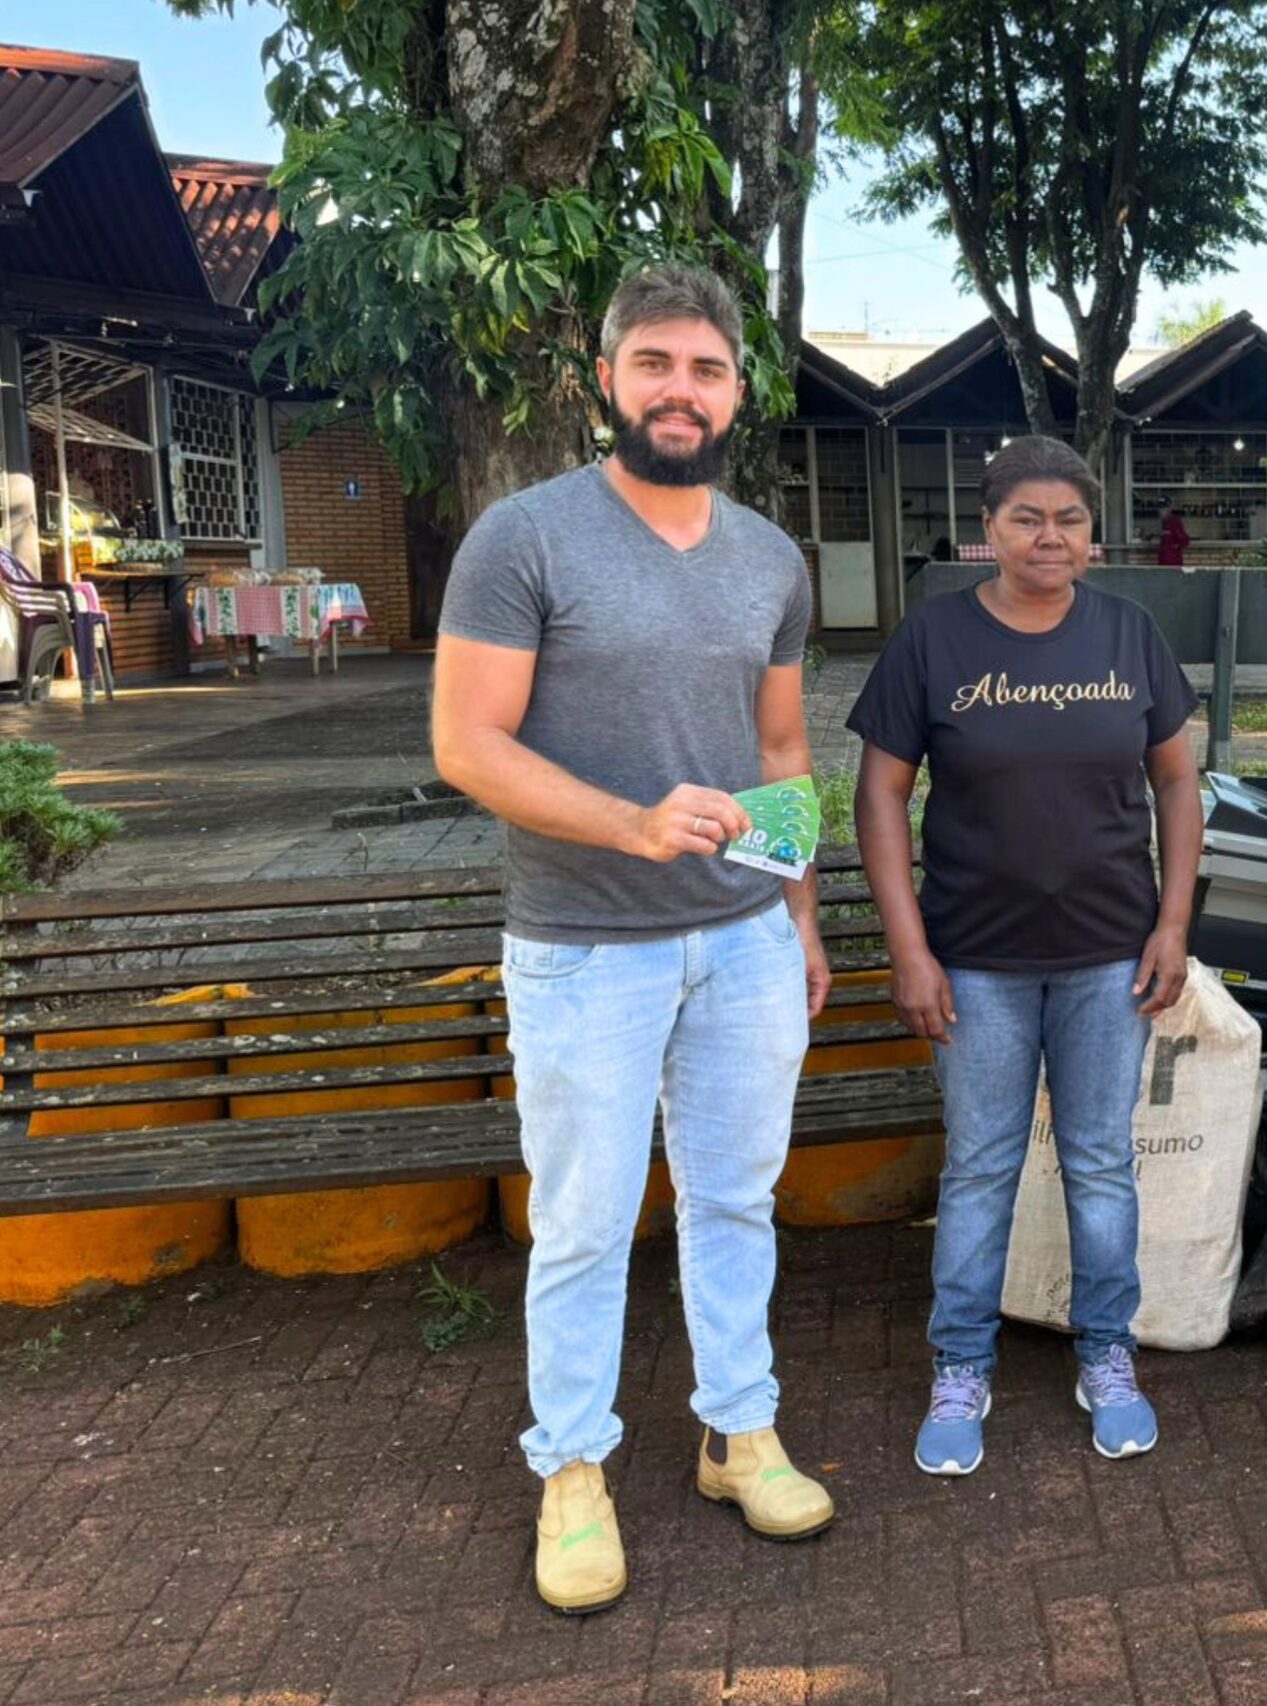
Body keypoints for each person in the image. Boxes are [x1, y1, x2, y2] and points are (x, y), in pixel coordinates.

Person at [434, 262, 837, 1616]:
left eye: (706, 368)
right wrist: (632, 823)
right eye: (654, 362)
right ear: (605, 378)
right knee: (584, 1219)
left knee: (735, 1196)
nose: (681, 389)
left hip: (743, 939)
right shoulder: (525, 538)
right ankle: (572, 1468)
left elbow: (779, 751)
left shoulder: (770, 557)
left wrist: (797, 913)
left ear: (737, 391)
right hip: (583, 944)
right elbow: (467, 741)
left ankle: (739, 1431)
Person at [850, 434, 1204, 1478]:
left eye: (1069, 520)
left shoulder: (1129, 632)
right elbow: (880, 793)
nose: (1049, 537)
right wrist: (909, 947)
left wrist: (1173, 923)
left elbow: (1176, 783)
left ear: (1093, 534)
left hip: (1109, 955)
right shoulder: (934, 637)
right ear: (988, 530)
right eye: (1026, 518)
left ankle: (1107, 1352)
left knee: (1099, 1163)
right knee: (979, 1167)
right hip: (974, 961)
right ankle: (961, 1363)